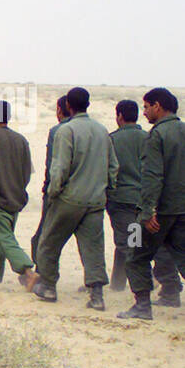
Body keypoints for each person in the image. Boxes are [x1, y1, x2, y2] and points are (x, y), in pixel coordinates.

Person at [32, 87, 117, 308]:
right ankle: (96, 296)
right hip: (95, 200)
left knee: (49, 243)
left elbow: (59, 169)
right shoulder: (102, 130)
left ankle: (49, 286)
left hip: (69, 199)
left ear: (68, 106)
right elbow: (113, 167)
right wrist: (106, 190)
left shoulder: (66, 131)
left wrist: (53, 193)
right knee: (93, 249)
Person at [118, 88, 185, 319]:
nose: (144, 112)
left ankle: (142, 306)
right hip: (182, 210)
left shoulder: (157, 135)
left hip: (159, 212)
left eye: (146, 107)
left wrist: (147, 212)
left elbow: (152, 176)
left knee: (135, 254)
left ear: (158, 106)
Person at [107, 98, 180, 301]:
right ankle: (118, 282)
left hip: (124, 201)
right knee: (138, 242)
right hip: (147, 200)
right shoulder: (148, 136)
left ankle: (152, 288)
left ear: (119, 116)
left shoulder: (112, 139)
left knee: (132, 244)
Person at [0, 100, 39, 290]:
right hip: (16, 198)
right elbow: (27, 172)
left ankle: (28, 272)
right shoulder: (21, 140)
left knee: (5, 237)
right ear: (9, 117)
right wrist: (17, 190)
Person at [30, 95, 72, 263]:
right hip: (89, 195)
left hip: (59, 193)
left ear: (60, 110)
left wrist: (50, 190)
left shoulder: (57, 131)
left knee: (43, 237)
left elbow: (54, 166)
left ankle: (42, 277)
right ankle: (97, 283)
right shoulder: (98, 130)